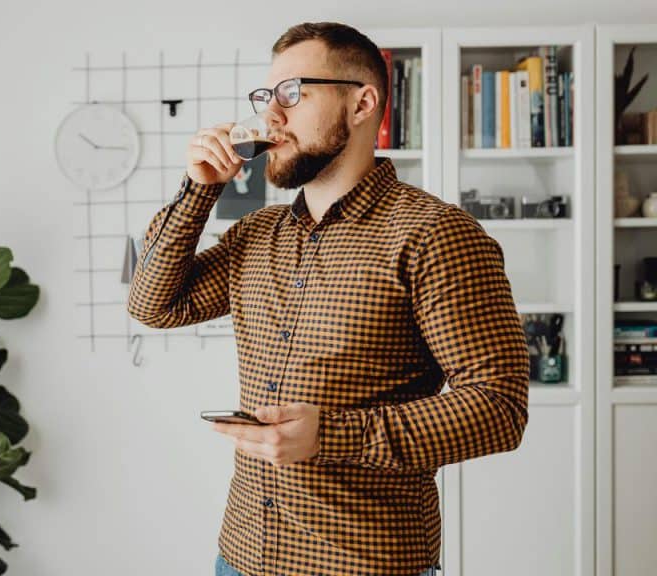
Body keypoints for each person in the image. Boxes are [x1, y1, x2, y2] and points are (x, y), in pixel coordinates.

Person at [126, 21, 529, 576]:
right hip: (242, 555)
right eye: (266, 96)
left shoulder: (434, 234)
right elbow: (154, 305)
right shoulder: (257, 233)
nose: (271, 114)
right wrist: (199, 189)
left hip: (367, 565)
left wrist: (332, 435)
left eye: (293, 93)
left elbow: (499, 407)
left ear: (362, 103)